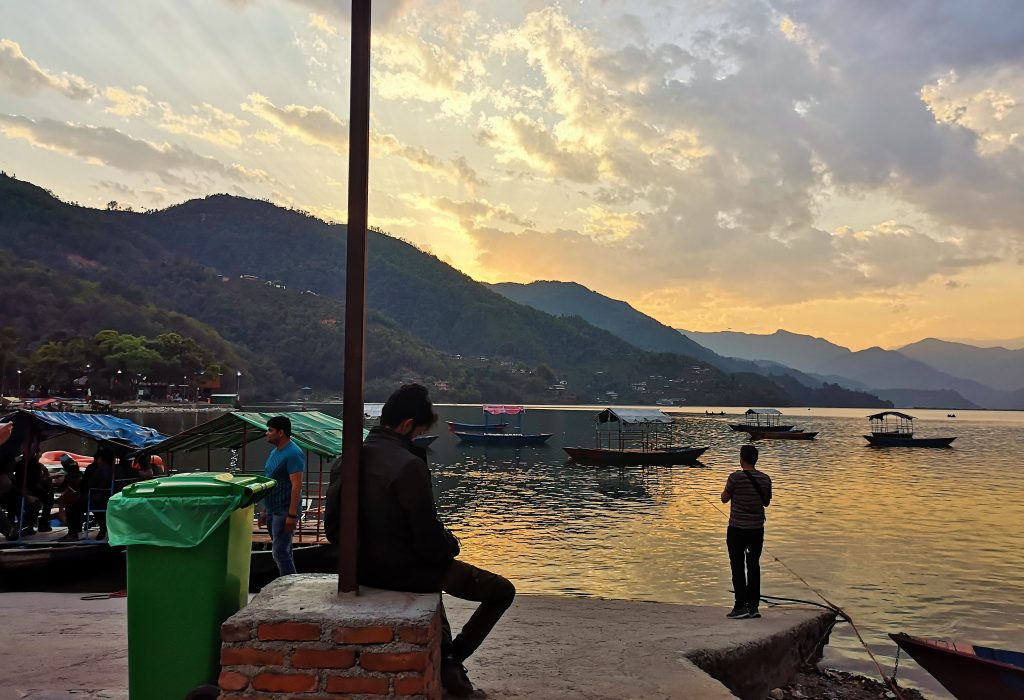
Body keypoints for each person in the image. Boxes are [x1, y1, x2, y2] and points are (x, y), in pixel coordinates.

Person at [332, 383, 515, 697]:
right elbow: (429, 543)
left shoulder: (345, 459)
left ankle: (451, 671)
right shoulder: (409, 465)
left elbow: (332, 528)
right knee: (501, 591)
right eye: (417, 433)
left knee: (436, 580)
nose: (416, 439)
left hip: (360, 569)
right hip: (404, 572)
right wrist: (451, 543)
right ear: (406, 426)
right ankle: (452, 660)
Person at [721, 444, 772, 620]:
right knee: (753, 566)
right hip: (756, 530)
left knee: (737, 566)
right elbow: (766, 502)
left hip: (736, 529)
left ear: (742, 459)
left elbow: (724, 499)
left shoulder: (735, 477)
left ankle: (740, 606)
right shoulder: (765, 479)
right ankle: (754, 607)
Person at [260, 416, 305, 576]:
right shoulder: (274, 453)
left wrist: (292, 515)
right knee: (285, 551)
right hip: (272, 508)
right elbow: (271, 482)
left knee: (280, 553)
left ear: (281, 433)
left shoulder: (293, 453)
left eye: (270, 430)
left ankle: (289, 588)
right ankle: (291, 582)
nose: (267, 433)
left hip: (284, 510)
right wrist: (264, 510)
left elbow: (297, 485)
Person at [61, 447, 115, 541]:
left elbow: (89, 487)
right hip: (106, 498)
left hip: (97, 499)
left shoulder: (100, 470)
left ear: (101, 459)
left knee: (72, 505)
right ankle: (100, 526)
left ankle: (73, 533)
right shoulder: (113, 470)